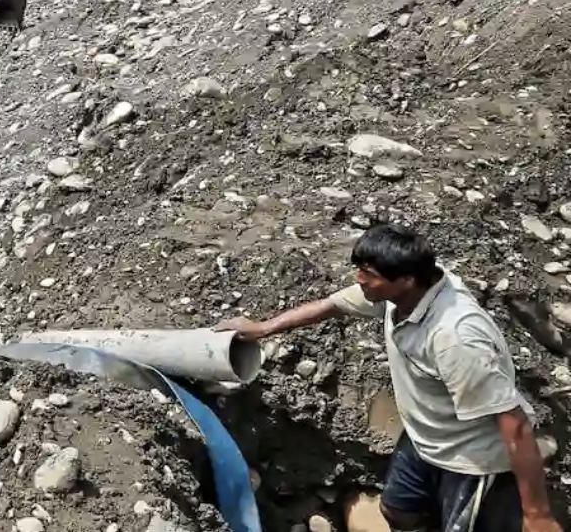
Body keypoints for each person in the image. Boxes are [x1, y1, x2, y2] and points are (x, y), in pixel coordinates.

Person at [216, 223, 561, 532]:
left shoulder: (455, 338)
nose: (358, 280)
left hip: (469, 460)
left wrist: (538, 514)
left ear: (406, 280)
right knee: (397, 512)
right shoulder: (400, 295)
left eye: (368, 273)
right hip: (423, 438)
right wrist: (263, 328)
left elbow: (513, 423)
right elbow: (331, 305)